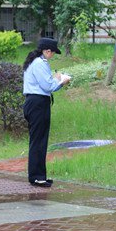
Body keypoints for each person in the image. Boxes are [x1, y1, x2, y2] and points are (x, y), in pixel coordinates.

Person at [23, 37, 70, 187]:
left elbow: (46, 83)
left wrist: (54, 79)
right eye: (53, 52)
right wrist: (62, 81)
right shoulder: (39, 63)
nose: (53, 55)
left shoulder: (36, 62)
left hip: (35, 102)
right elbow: (48, 86)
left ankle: (39, 175)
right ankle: (37, 177)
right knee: (39, 140)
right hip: (38, 103)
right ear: (47, 51)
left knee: (39, 140)